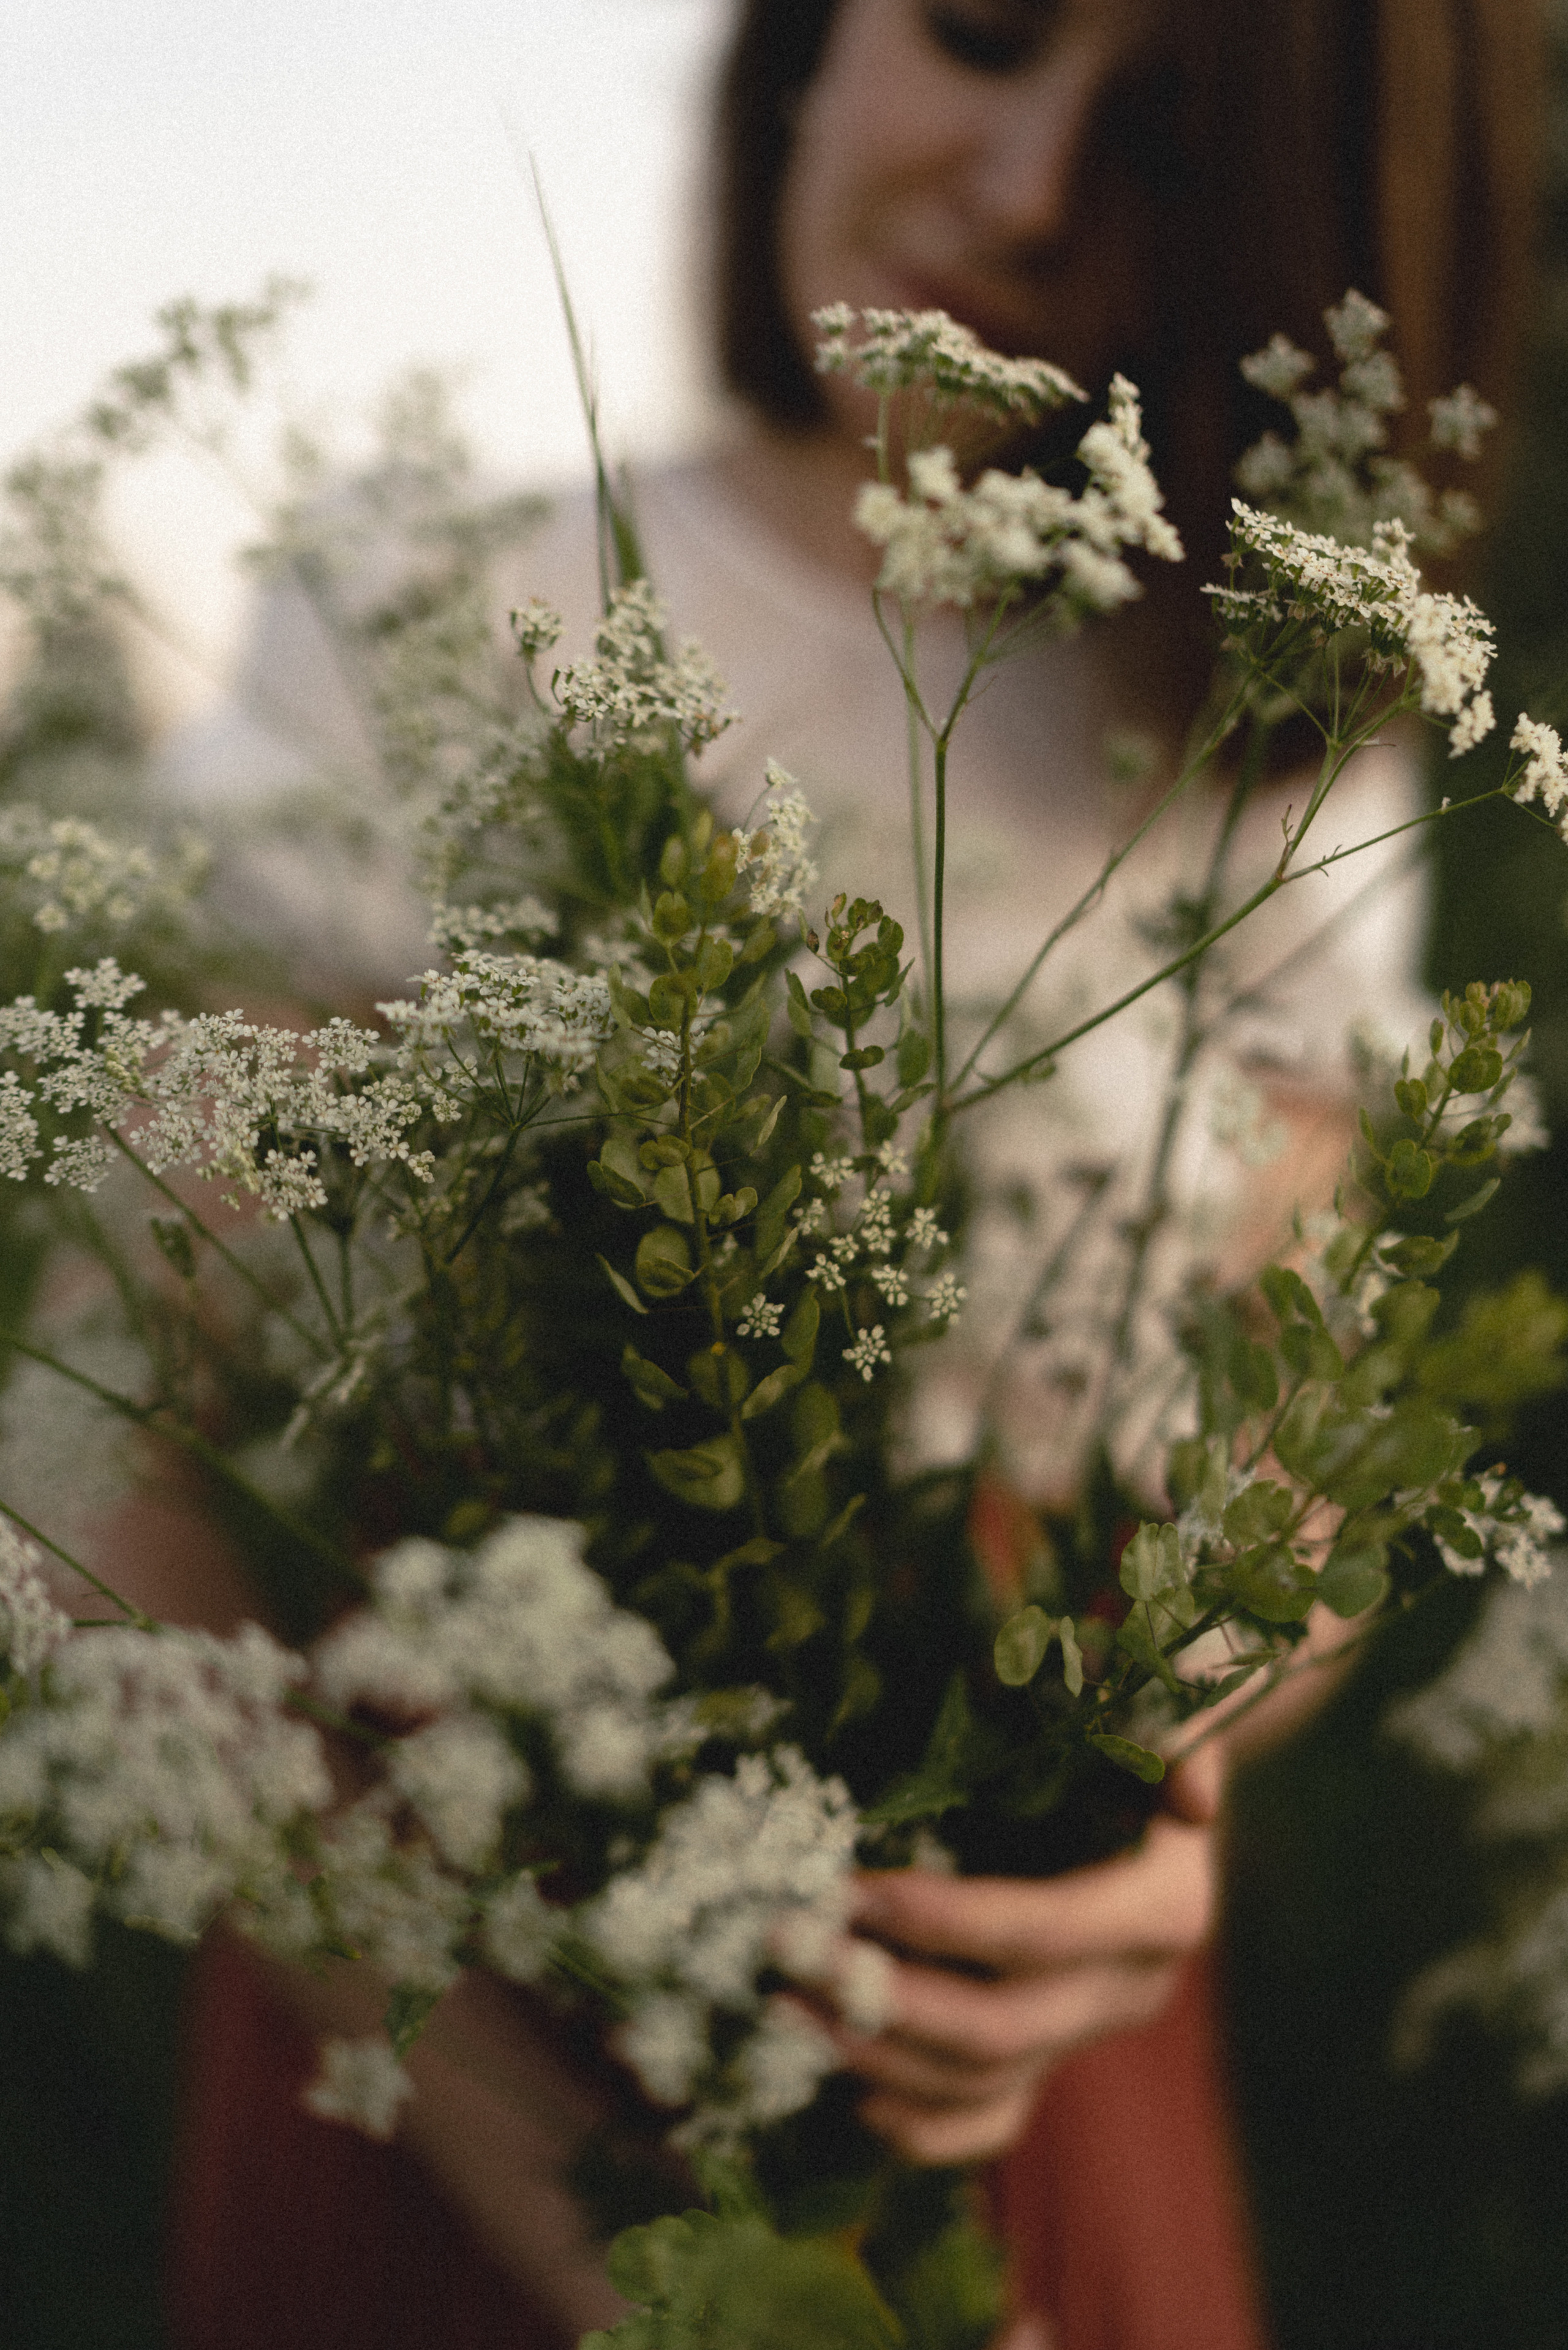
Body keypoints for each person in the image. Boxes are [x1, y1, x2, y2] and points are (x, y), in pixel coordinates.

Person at [157, 4, 1544, 2347]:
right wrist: (607, 2225)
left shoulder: (1272, 719)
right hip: (438, 1998)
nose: (1025, 188)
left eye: (1166, 131)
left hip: (986, 2054)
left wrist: (1160, 1793)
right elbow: (135, 1488)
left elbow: (1294, 1442)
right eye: (983, 26)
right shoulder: (422, 605)